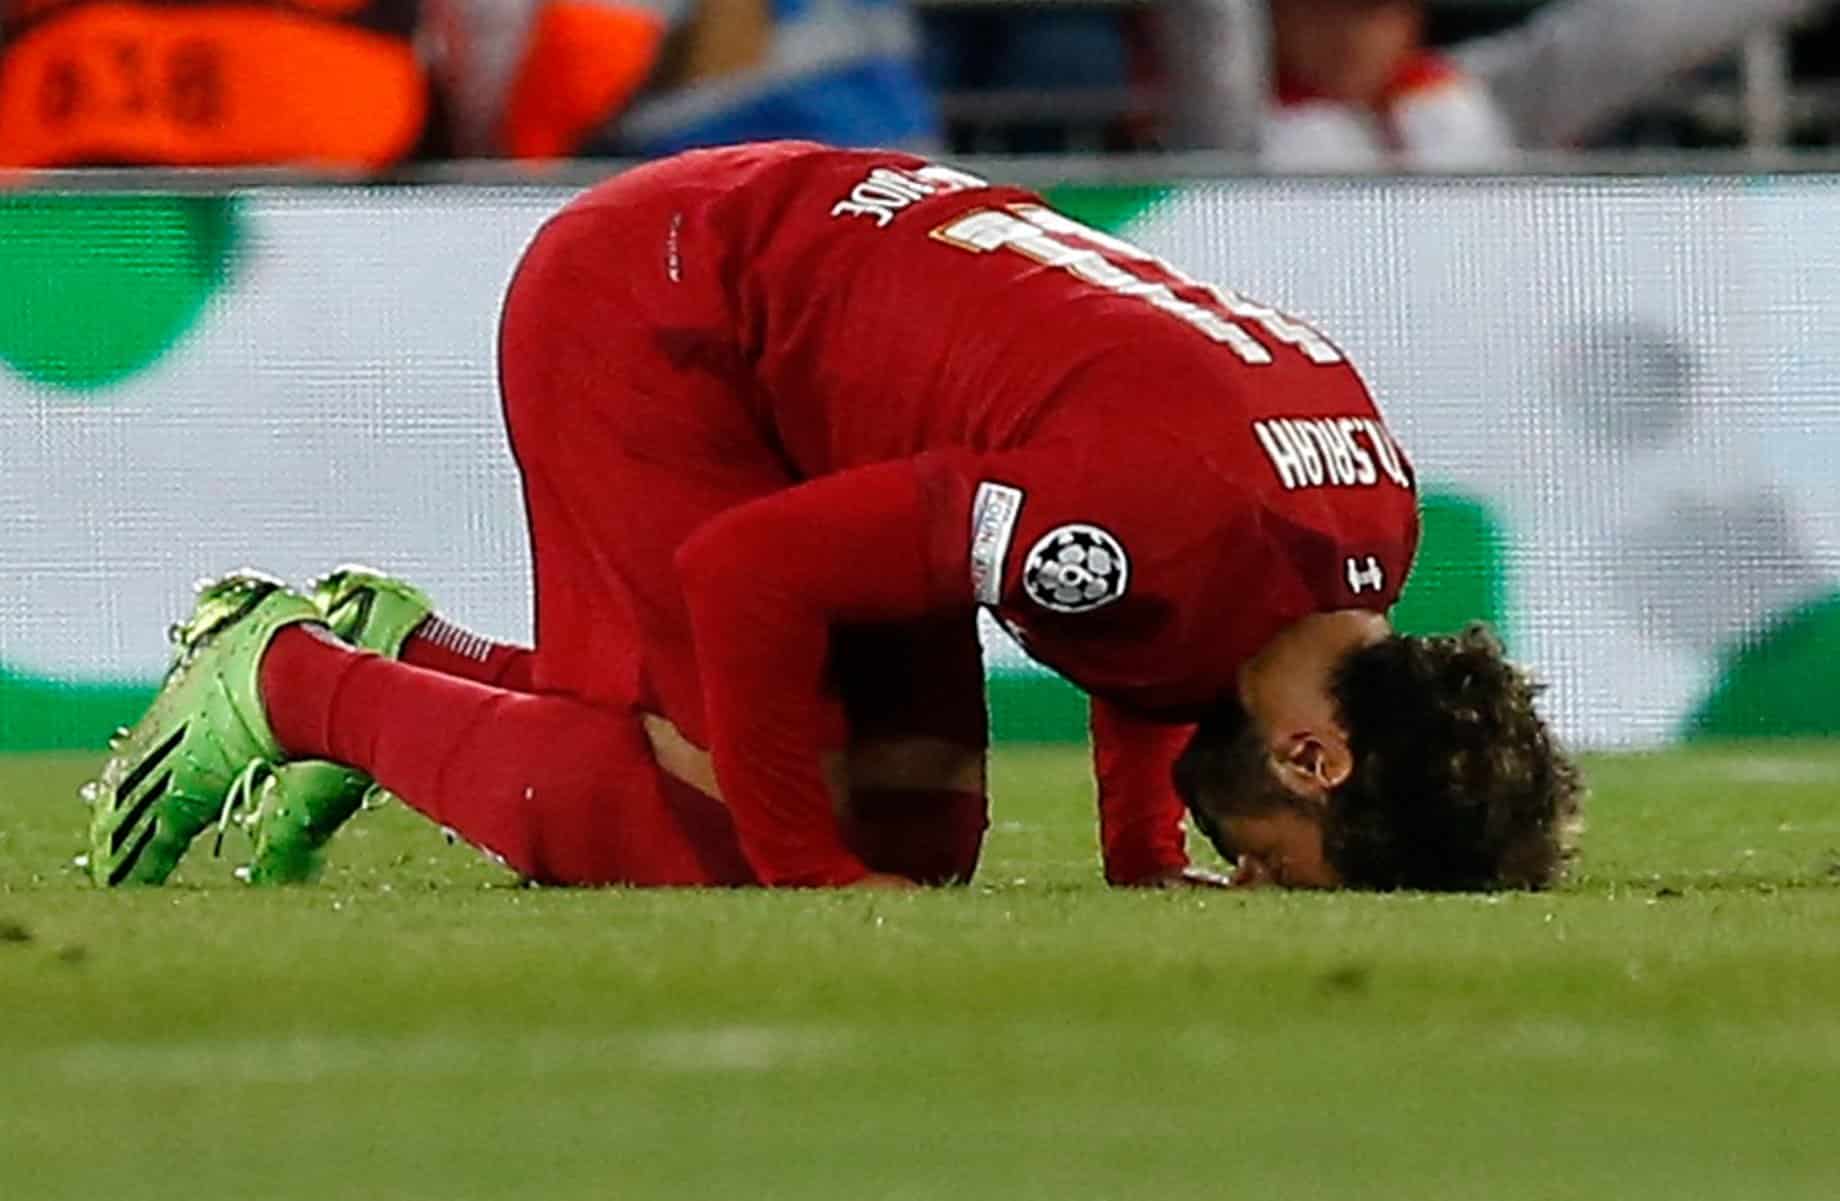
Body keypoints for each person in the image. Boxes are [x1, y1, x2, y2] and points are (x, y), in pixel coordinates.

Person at [83, 141, 1580, 892]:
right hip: (668, 304)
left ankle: (409, 648)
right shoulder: (1156, 519)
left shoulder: (1357, 528)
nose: (1255, 878)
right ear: (1316, 760)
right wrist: (804, 886)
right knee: (714, 829)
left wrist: (1141, 861)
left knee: (920, 833)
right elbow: (751, 571)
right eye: (1285, 869)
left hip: (820, 306)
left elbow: (1163, 633)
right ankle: (290, 677)